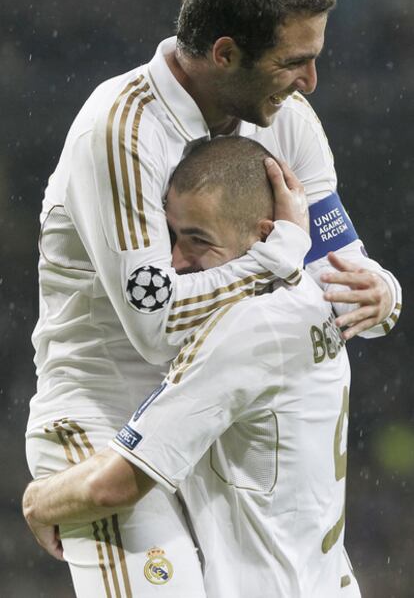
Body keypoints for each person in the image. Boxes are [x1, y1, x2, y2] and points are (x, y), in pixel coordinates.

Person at [25, 0, 401, 595]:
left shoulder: (287, 121)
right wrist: (279, 255)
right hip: (105, 417)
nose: (309, 82)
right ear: (225, 53)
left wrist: (384, 292)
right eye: (292, 62)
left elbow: (345, 287)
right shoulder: (121, 130)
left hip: (220, 424)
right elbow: (156, 330)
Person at [24, 136, 361, 597]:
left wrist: (37, 502)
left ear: (265, 236)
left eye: (198, 239)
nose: (176, 263)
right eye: (172, 236)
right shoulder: (310, 300)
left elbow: (115, 484)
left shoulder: (241, 332)